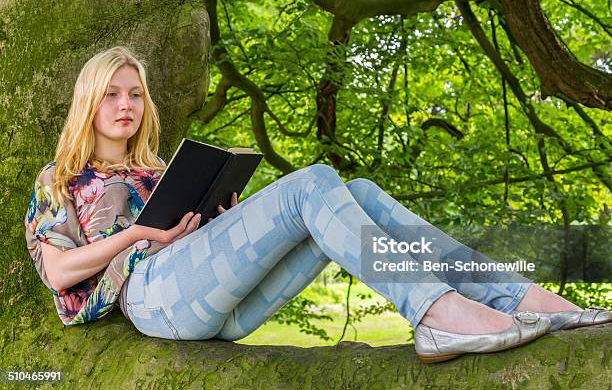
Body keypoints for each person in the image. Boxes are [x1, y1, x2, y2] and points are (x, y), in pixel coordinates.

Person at [24, 46, 611, 364]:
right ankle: (435, 313)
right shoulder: (62, 179)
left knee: (357, 195)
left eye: (135, 94)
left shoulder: (157, 172)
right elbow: (58, 272)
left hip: (217, 305)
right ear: (88, 103)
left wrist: (218, 217)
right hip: (153, 297)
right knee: (312, 182)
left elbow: (201, 240)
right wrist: (139, 236)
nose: (125, 104)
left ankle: (515, 295)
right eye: (111, 94)